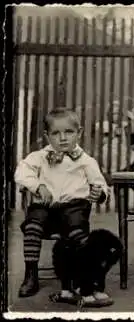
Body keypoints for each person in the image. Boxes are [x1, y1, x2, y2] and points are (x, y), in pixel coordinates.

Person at [14, 107, 111, 305]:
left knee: (79, 233)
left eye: (69, 132)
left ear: (79, 133)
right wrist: (38, 185)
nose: (63, 138)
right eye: (56, 133)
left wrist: (99, 193)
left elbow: (100, 183)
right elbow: (21, 173)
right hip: (46, 209)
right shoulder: (39, 157)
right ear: (47, 136)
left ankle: (83, 278)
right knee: (33, 223)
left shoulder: (86, 161)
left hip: (73, 209)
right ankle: (31, 274)